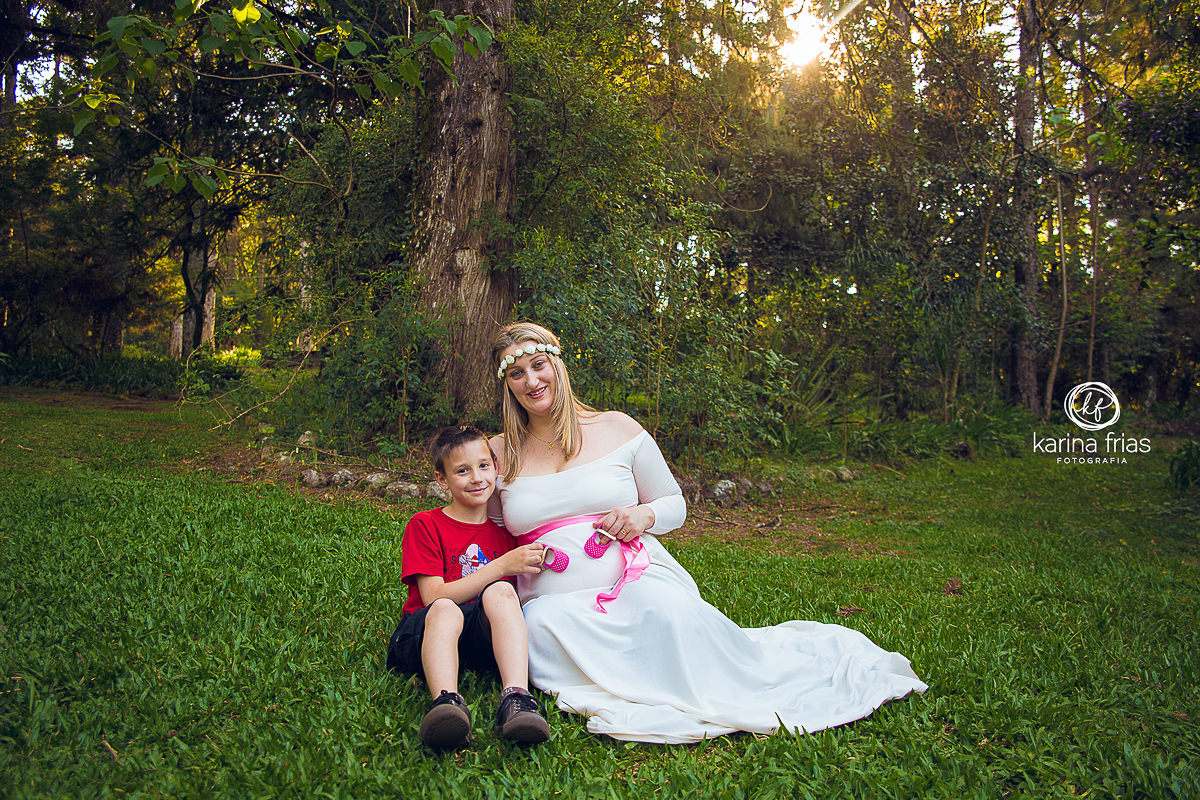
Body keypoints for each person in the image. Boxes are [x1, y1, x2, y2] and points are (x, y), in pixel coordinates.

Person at [487, 322, 929, 744]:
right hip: (554, 601)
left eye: (538, 365)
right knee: (542, 627)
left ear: (558, 366)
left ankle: (707, 683)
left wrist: (642, 516)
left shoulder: (616, 427)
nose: (531, 381)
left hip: (633, 578)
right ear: (507, 384)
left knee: (666, 615)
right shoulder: (498, 451)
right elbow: (485, 532)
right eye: (517, 373)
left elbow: (673, 505)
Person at [386, 425, 553, 749]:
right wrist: (501, 566)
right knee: (447, 607)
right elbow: (432, 596)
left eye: (483, 466)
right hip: (424, 635)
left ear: (495, 467)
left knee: (502, 592)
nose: (477, 478)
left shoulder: (506, 537)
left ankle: (516, 699)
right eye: (462, 470)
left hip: (478, 643)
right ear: (441, 479)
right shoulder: (426, 524)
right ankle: (446, 703)